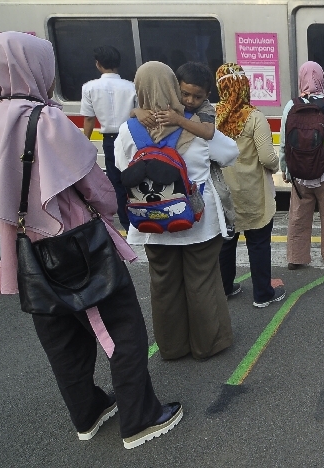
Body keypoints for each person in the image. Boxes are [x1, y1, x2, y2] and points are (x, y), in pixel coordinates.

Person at [0, 32, 181, 449]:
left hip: (23, 254)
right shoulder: (45, 120)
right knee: (124, 331)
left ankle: (88, 412)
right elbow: (96, 190)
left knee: (61, 340)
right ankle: (140, 419)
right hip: (75, 247)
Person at [115, 61, 239, 360]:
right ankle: (207, 344)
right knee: (202, 281)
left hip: (150, 222)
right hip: (197, 220)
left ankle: (172, 347)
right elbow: (230, 154)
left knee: (163, 285)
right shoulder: (194, 126)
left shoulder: (128, 130)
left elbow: (121, 167)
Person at [134, 62, 237, 242]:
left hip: (152, 217)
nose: (190, 101)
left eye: (197, 97)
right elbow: (229, 154)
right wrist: (137, 111)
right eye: (185, 94)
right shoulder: (157, 112)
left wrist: (179, 120)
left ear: (207, 96)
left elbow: (208, 132)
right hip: (196, 219)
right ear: (174, 87)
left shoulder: (202, 110)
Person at [215, 63, 285, 307]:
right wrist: (276, 166)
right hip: (254, 193)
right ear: (245, 86)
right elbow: (267, 158)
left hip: (224, 194)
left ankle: (225, 287)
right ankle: (262, 294)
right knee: (258, 243)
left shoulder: (212, 118)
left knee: (226, 242)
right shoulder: (255, 118)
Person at [279, 61, 324, 269]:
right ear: (321, 79)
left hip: (299, 173)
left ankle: (296, 257)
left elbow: (284, 143)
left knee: (298, 215)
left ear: (301, 79)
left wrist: (285, 169)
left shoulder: (291, 106)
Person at [81, 45, 137, 231]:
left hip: (110, 140)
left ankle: (127, 224)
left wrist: (83, 144)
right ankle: (142, 217)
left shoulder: (89, 88)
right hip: (131, 136)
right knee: (135, 179)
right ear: (118, 64)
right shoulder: (132, 87)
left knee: (117, 183)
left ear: (98, 64)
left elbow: (89, 120)